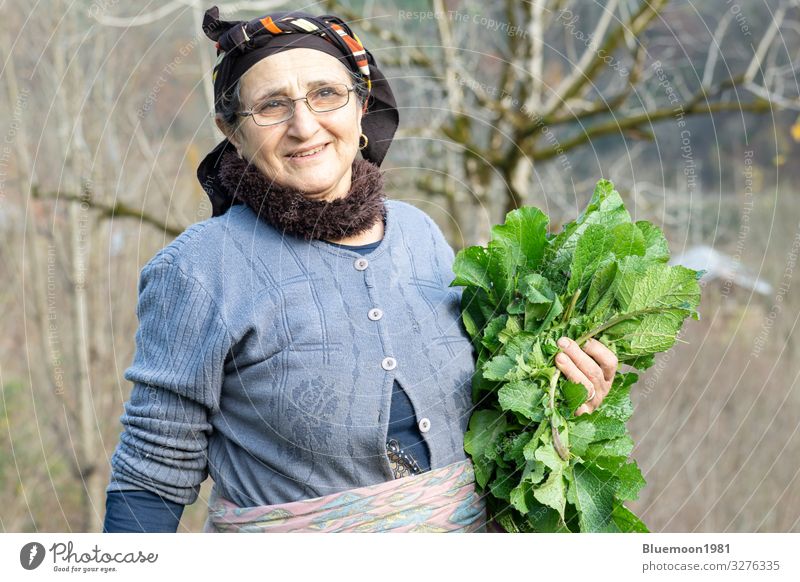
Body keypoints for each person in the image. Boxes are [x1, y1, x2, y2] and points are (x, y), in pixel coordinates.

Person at [103, 5, 618, 533]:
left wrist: (563, 395)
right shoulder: (200, 271)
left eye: (326, 94)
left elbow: (484, 419)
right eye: (272, 106)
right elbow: (151, 476)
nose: (304, 127)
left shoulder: (420, 236)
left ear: (360, 103)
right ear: (231, 132)